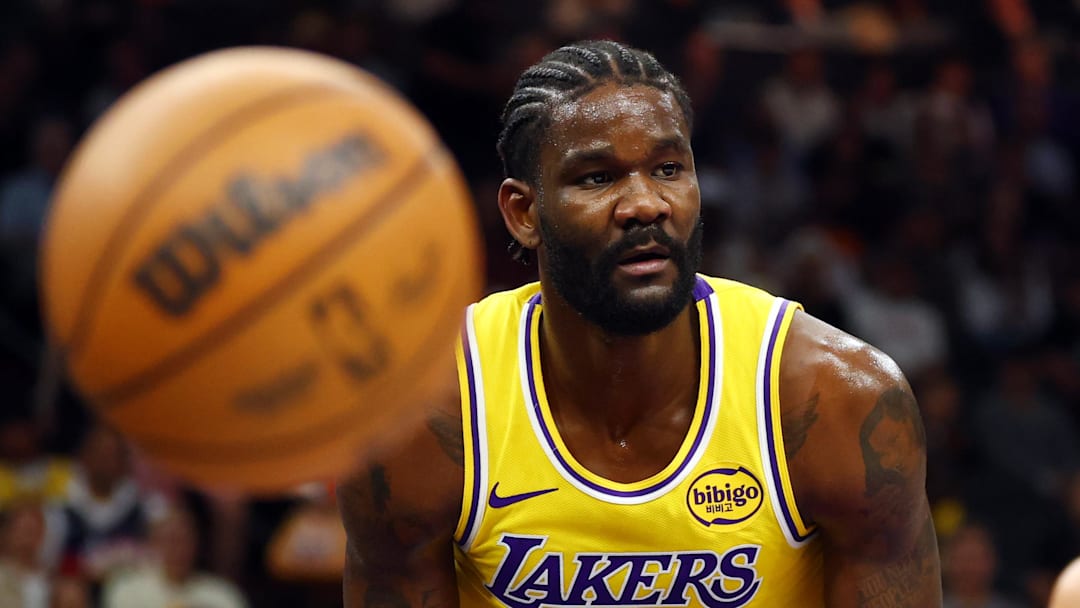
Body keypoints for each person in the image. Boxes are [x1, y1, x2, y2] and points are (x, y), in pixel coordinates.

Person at [338, 39, 941, 606]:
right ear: (523, 213)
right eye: (597, 178)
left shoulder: (834, 398)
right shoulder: (425, 414)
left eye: (669, 169)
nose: (646, 203)